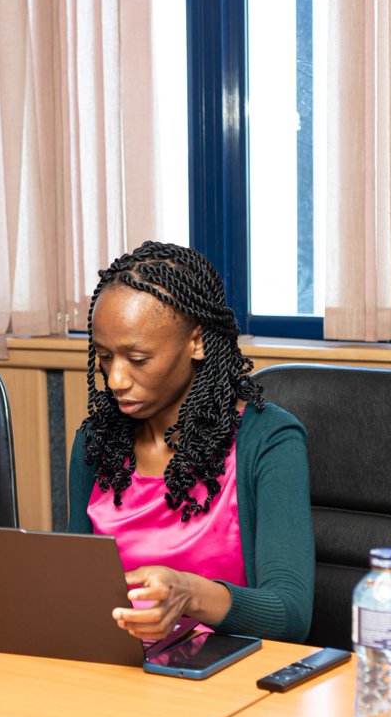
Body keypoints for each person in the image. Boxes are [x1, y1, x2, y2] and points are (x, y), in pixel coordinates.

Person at [67, 241, 313, 642]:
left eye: (138, 358)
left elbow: (291, 614)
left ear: (196, 342)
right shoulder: (97, 442)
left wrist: (189, 594)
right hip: (114, 669)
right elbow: (76, 589)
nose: (115, 380)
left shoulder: (267, 441)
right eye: (105, 357)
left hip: (224, 675)